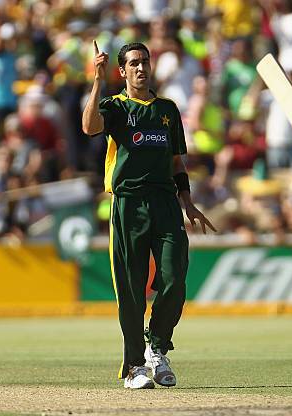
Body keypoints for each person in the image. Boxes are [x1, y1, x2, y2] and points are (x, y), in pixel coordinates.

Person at [82, 40, 216, 390]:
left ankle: (157, 348)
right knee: (130, 290)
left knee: (175, 276)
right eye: (133, 63)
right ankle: (134, 365)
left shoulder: (168, 110)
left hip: (165, 204)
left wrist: (187, 201)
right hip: (128, 204)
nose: (141, 68)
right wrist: (97, 81)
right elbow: (89, 127)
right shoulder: (115, 106)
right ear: (122, 71)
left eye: (145, 62)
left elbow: (176, 161)